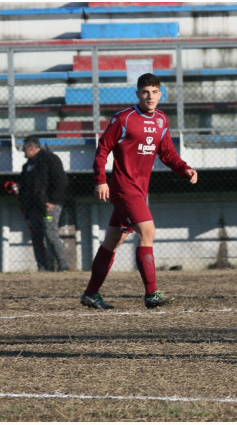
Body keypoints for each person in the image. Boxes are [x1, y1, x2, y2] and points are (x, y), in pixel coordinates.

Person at [81, 73, 198, 310]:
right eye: (145, 91)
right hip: (124, 187)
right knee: (148, 231)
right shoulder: (124, 119)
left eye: (154, 91)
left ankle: (91, 294)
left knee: (114, 239)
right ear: (137, 94)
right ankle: (151, 293)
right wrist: (100, 180)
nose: (150, 96)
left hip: (140, 188)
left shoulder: (162, 120)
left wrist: (184, 168)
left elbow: (167, 153)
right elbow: (103, 148)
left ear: (160, 94)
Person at [16, 136, 71, 272]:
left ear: (31, 147)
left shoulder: (50, 159)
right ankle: (43, 266)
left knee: (50, 232)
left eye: (24, 148)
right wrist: (18, 186)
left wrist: (52, 200)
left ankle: (62, 265)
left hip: (49, 205)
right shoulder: (27, 165)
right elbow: (25, 183)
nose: (23, 152)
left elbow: (61, 181)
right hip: (33, 206)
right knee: (37, 236)